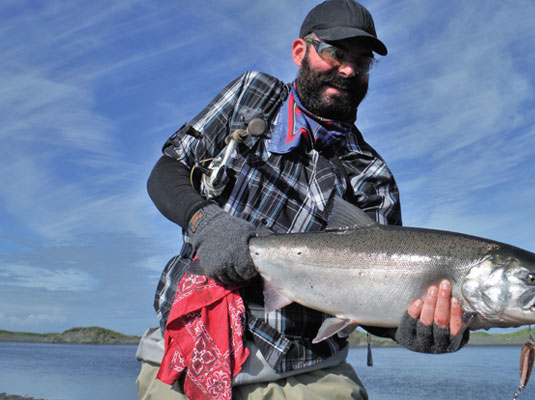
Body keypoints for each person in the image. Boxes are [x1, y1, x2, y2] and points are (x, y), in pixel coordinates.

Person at [136, 0, 470, 398]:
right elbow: (168, 169)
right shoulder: (253, 95)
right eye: (334, 52)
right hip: (185, 345)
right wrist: (204, 222)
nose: (348, 69)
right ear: (301, 51)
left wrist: (415, 329)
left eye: (361, 63)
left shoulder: (372, 175)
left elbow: (374, 302)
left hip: (305, 371)